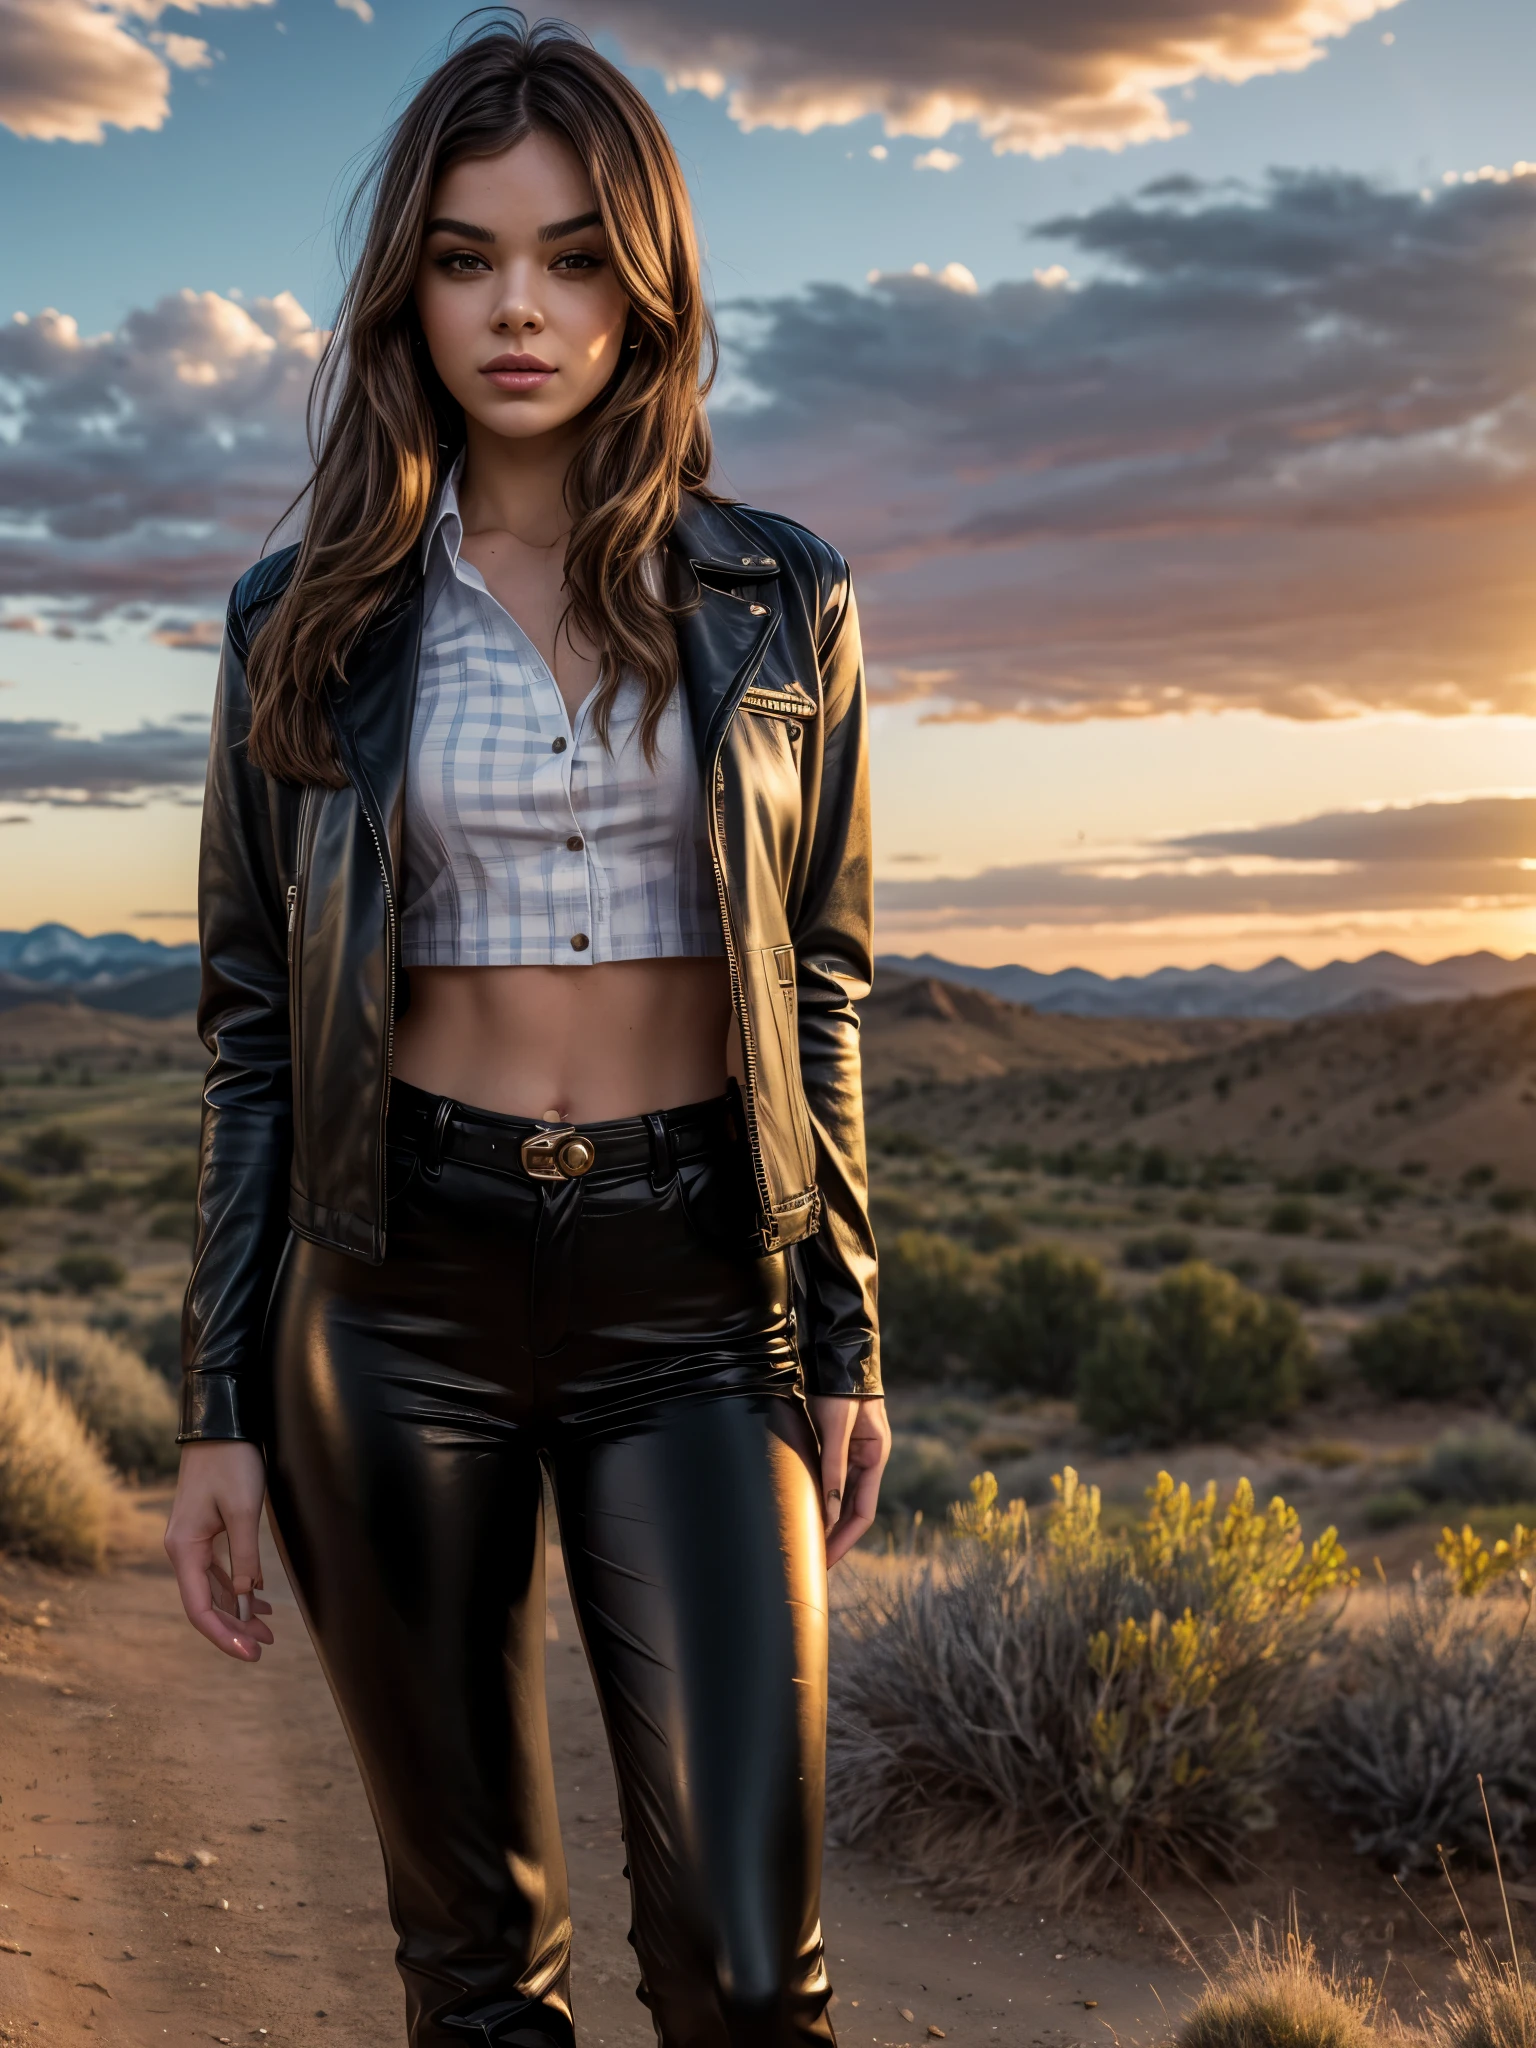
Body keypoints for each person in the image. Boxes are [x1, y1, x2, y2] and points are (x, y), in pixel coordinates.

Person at [161, 15, 887, 2047]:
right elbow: (247, 1032)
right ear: (410, 285)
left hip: (695, 1298)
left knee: (752, 1974)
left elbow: (820, 980)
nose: (520, 307)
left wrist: (844, 1330)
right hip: (390, 1297)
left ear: (641, 287)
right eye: (471, 257)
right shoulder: (298, 617)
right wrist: (215, 1401)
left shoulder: (780, 599)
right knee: (478, 1971)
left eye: (573, 256)